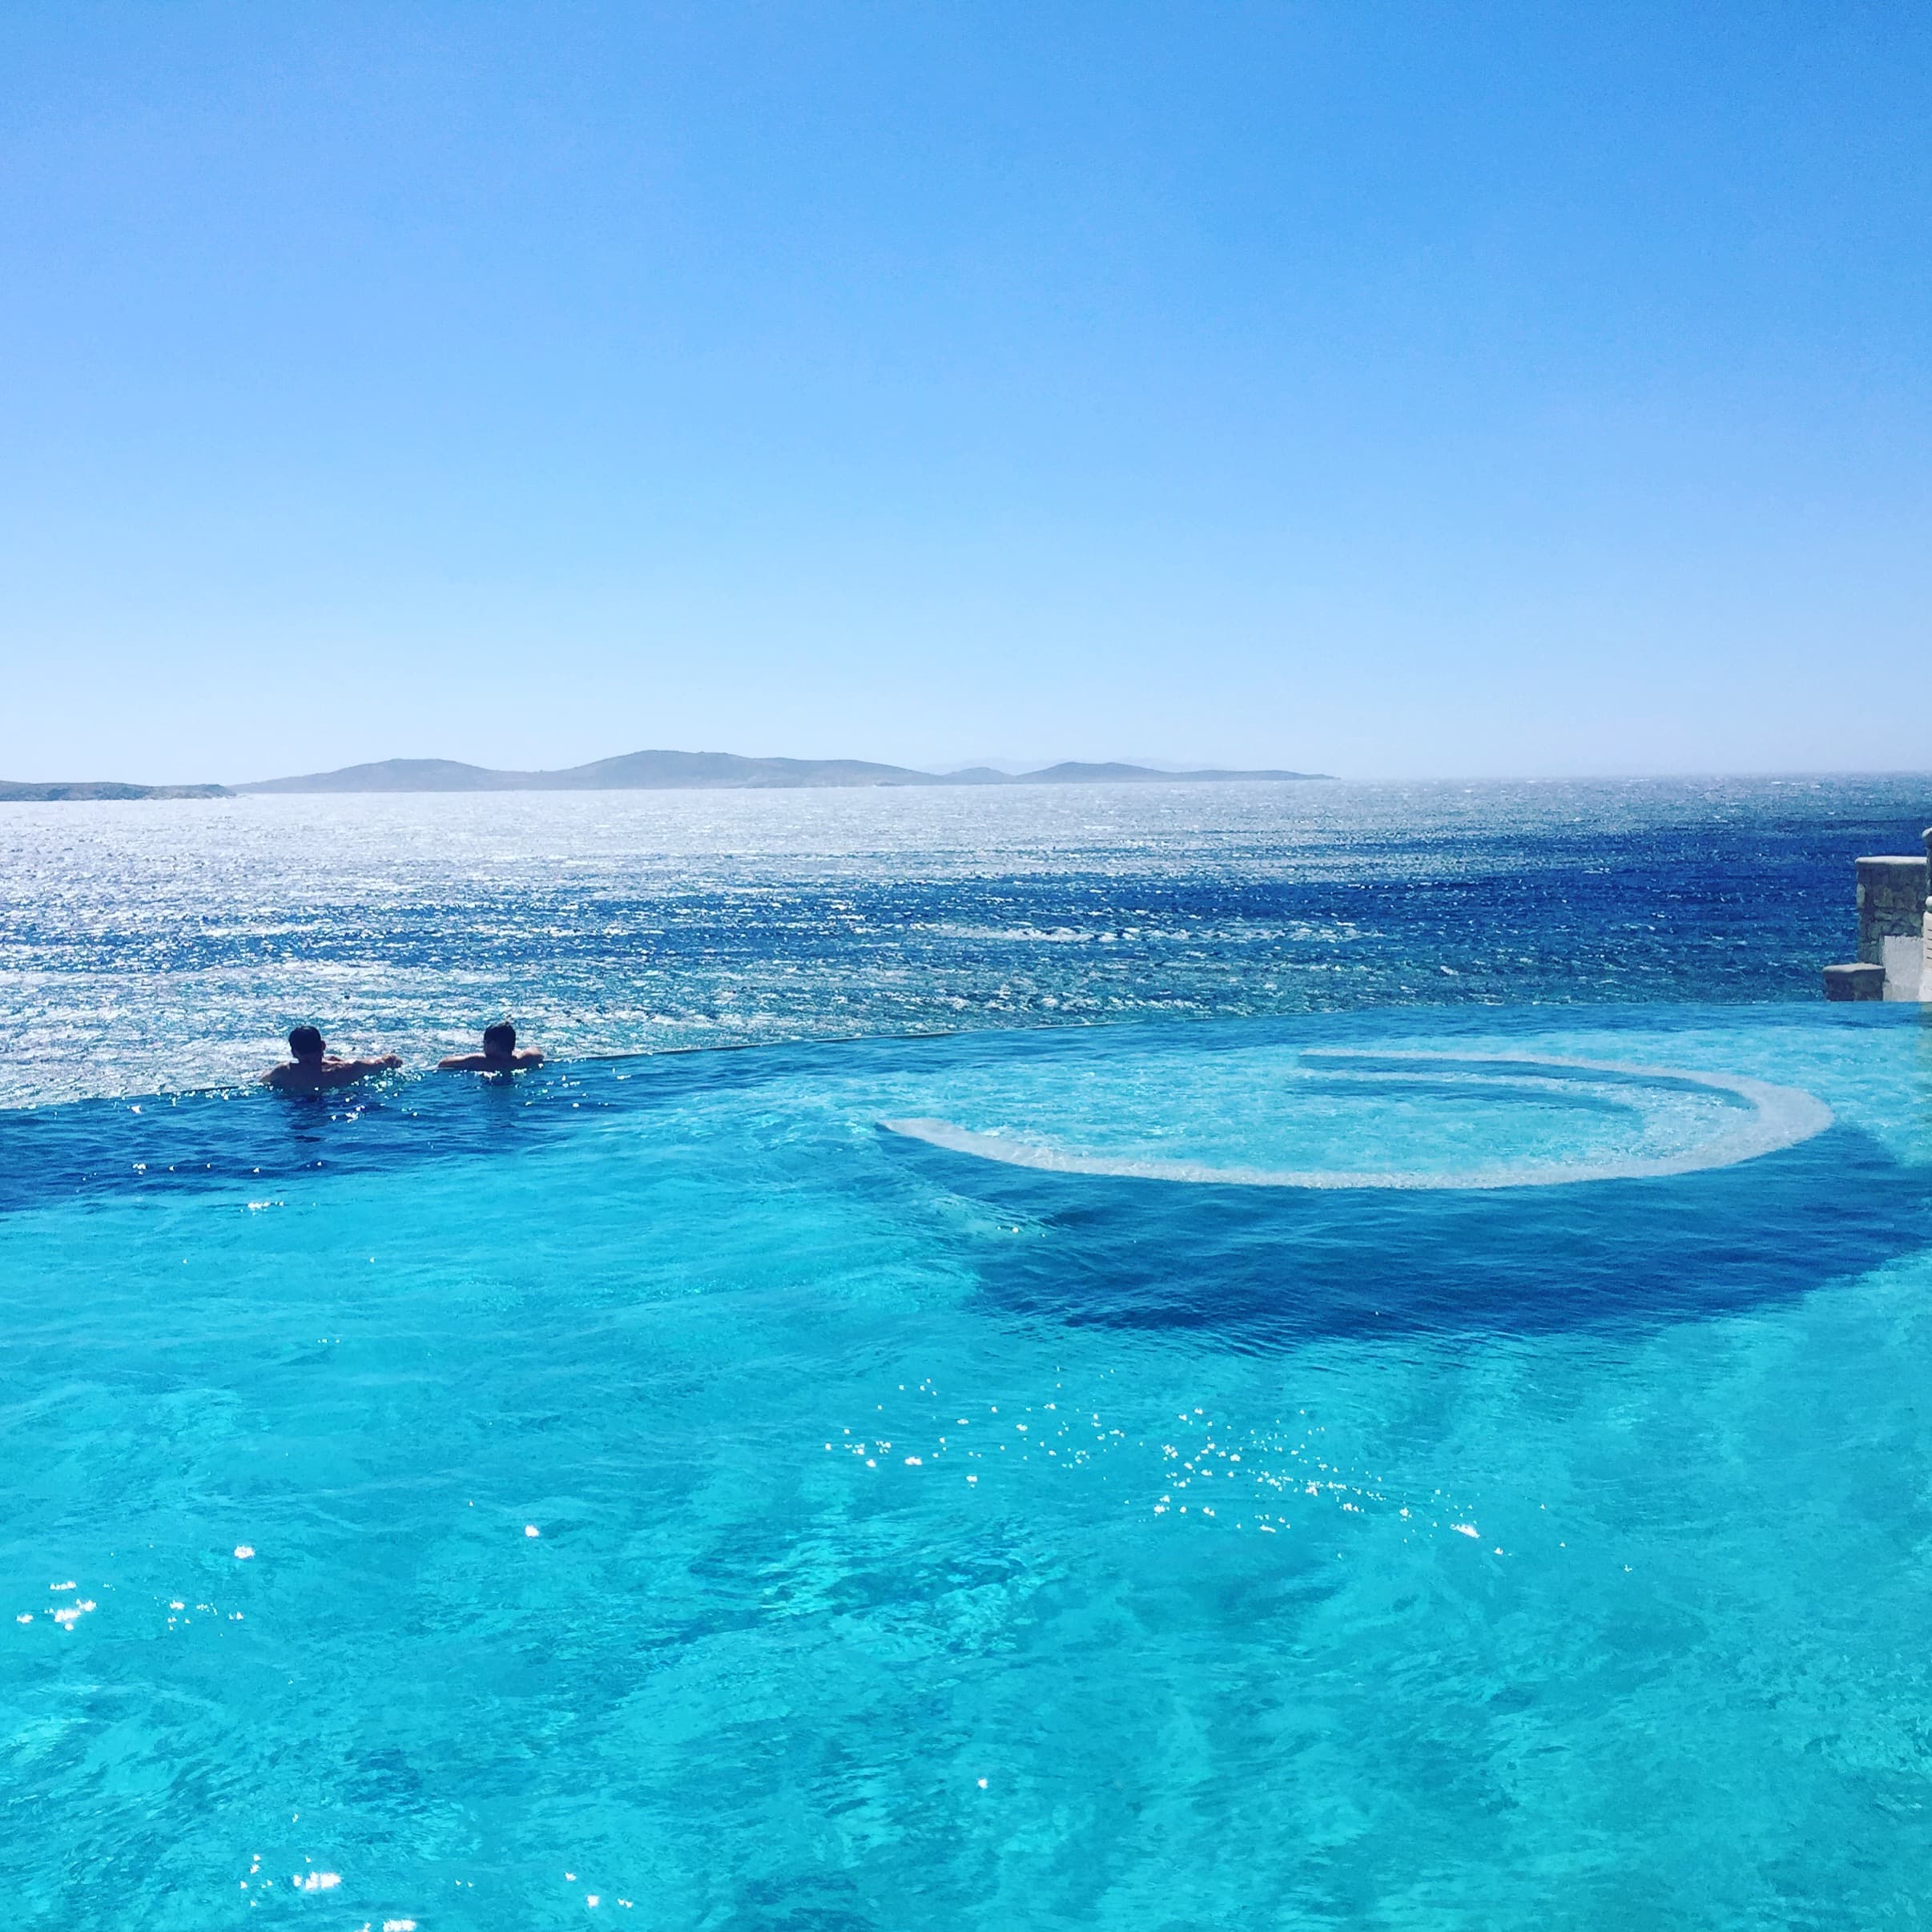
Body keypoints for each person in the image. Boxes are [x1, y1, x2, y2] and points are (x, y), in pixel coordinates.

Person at [263, 1024, 403, 1091]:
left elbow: (262, 1081)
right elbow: (389, 1061)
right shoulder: (347, 1069)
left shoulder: (284, 1073)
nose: (310, 1065)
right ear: (323, 1046)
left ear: (294, 1053)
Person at [438, 1020, 543, 1073]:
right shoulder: (525, 1059)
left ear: (492, 1045)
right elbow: (538, 1052)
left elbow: (443, 1064)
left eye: (485, 1042)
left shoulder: (479, 1061)